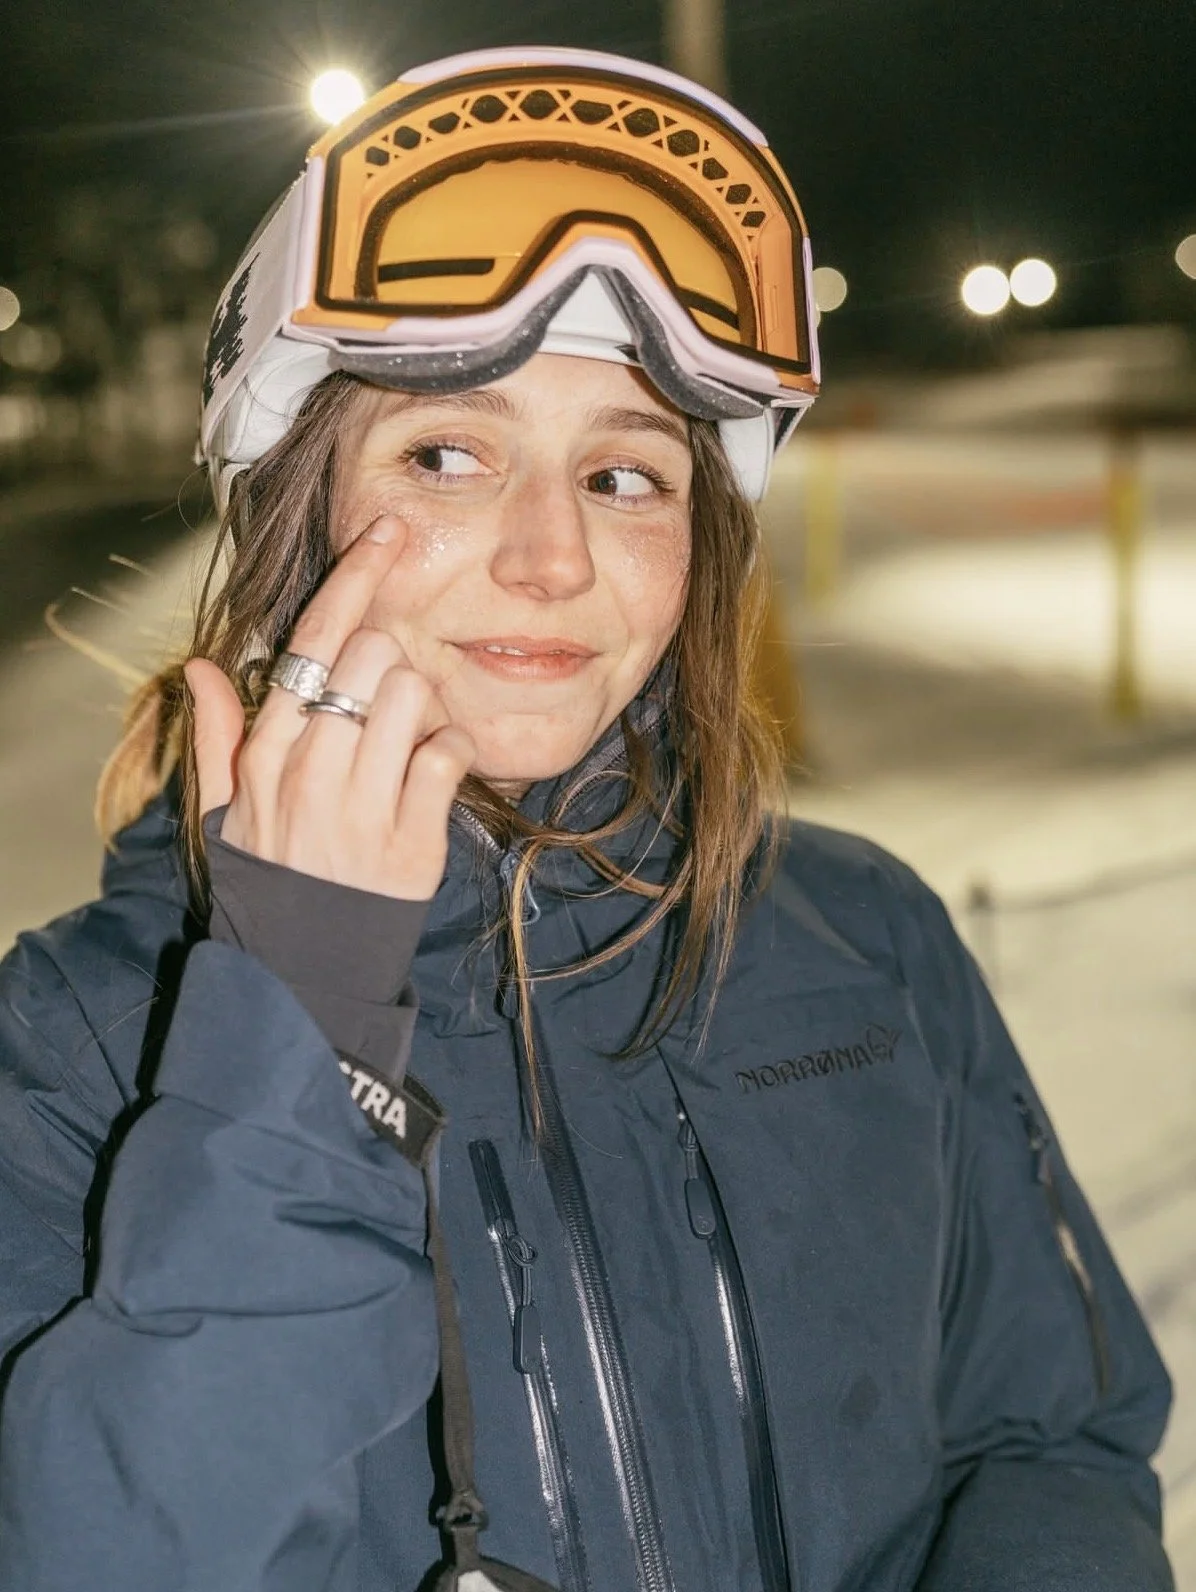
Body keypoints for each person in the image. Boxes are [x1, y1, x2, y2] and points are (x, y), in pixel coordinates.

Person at [0, 44, 1175, 1592]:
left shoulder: (866, 940)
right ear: (292, 515)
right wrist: (298, 1037)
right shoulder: (74, 1050)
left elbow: (1048, 1444)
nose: (552, 558)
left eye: (627, 476)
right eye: (447, 455)